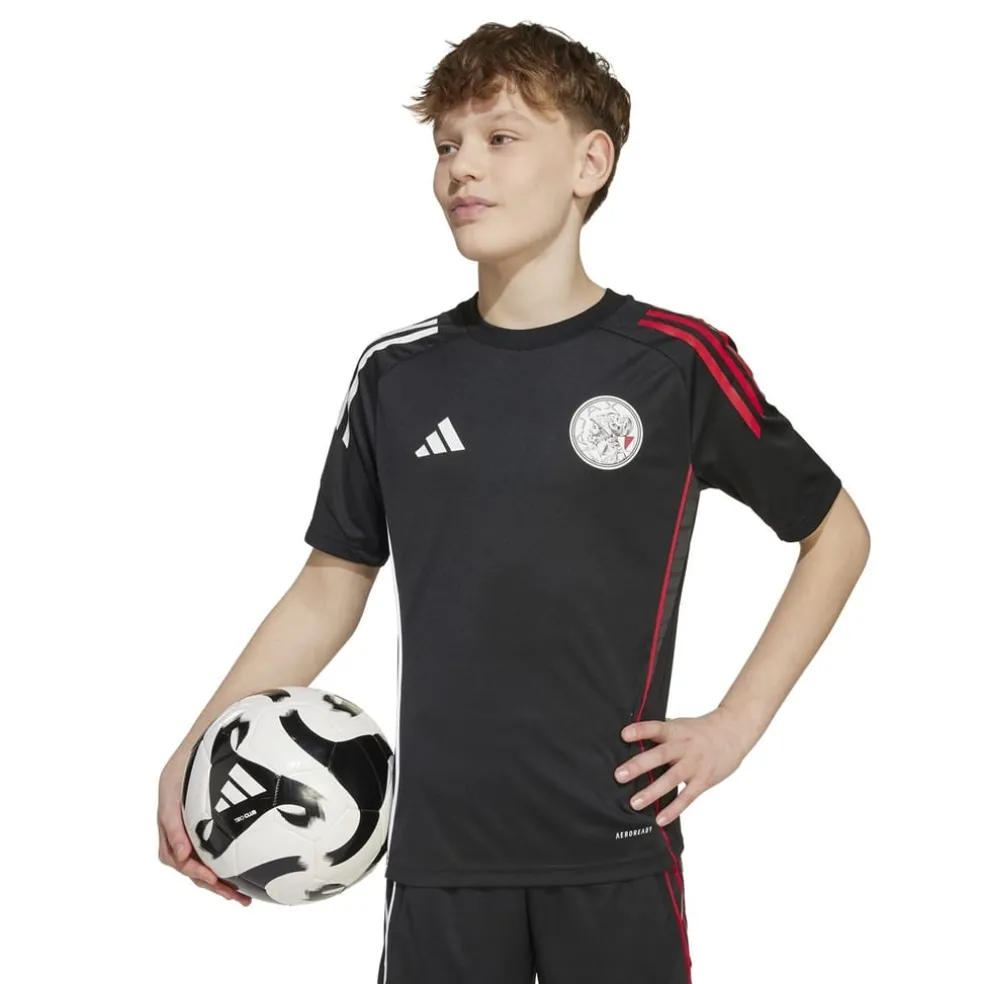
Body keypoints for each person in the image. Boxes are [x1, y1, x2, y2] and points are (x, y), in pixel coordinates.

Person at [158, 20, 871, 984]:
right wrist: (202, 741)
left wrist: (733, 726)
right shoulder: (396, 376)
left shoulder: (674, 363)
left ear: (589, 163)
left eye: (500, 138)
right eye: (446, 143)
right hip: (440, 863)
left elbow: (835, 532)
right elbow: (330, 586)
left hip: (615, 850)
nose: (462, 167)